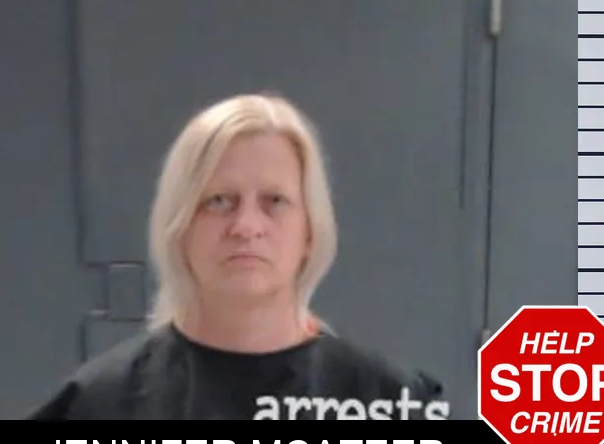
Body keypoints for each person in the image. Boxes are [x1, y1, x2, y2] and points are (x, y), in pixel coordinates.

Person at [28, 93, 446, 420]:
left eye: (275, 201)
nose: (246, 225)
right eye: (219, 201)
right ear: (180, 227)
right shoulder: (98, 405)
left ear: (309, 232)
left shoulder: (390, 402)